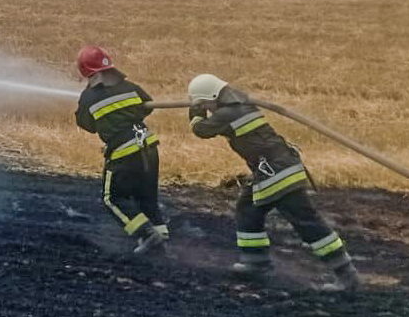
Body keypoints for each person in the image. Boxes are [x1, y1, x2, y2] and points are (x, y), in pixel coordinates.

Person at [186, 73, 361, 292]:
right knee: (248, 210)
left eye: (206, 104)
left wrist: (195, 112)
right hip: (271, 169)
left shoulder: (229, 113)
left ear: (212, 97)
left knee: (307, 221)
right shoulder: (243, 106)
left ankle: (346, 275)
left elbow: (201, 131)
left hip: (278, 173)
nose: (208, 109)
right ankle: (255, 262)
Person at [75, 46, 168, 256]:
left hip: (124, 152)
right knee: (148, 198)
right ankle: (160, 243)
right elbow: (147, 105)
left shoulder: (88, 97)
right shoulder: (129, 86)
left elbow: (87, 124)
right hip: (149, 147)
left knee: (112, 198)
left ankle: (146, 234)